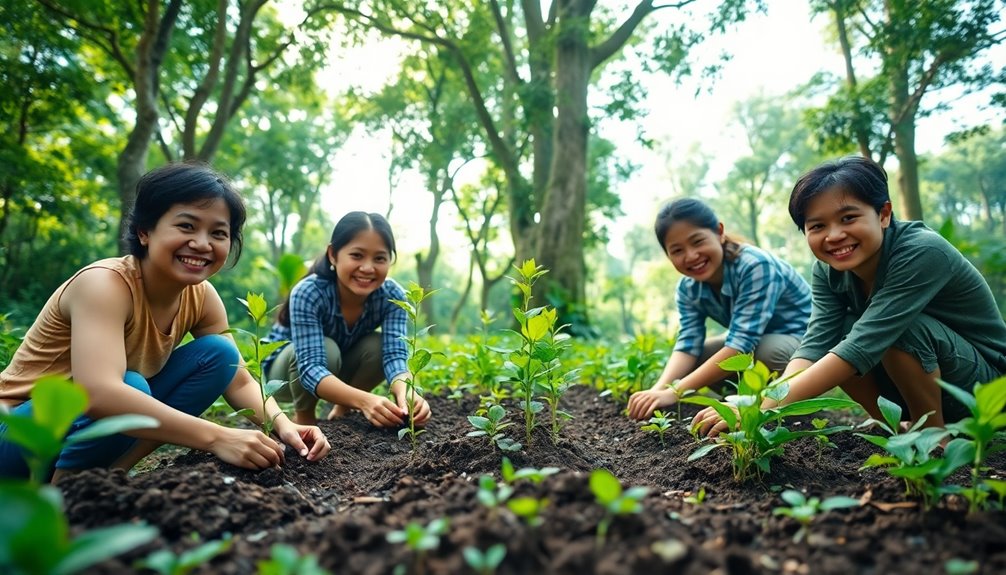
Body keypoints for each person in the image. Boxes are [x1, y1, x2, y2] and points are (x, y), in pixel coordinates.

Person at [0, 163, 331, 481]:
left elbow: (240, 381)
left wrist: (284, 425)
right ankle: (67, 492)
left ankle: (105, 476)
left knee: (219, 355)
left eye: (218, 232)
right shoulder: (104, 285)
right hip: (16, 434)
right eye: (186, 226)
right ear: (145, 231)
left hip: (76, 433)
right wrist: (217, 437)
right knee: (130, 386)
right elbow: (99, 393)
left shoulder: (201, 296)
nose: (202, 243)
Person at [693, 156, 1006, 436]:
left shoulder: (922, 252)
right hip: (927, 380)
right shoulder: (828, 270)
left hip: (987, 389)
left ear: (883, 214)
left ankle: (934, 436)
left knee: (901, 331)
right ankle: (892, 428)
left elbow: (864, 343)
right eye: (817, 225)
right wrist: (766, 400)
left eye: (848, 218)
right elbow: (815, 342)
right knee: (840, 332)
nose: (834, 235)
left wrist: (761, 406)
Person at [627, 197, 813, 421]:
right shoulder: (688, 288)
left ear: (719, 232)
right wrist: (659, 390)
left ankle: (791, 402)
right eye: (677, 250)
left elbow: (741, 346)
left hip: (806, 349)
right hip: (759, 342)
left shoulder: (755, 265)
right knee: (700, 355)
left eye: (697, 241)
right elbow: (688, 344)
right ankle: (748, 401)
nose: (691, 256)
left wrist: (675, 393)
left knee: (765, 352)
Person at [264, 211, 432, 428]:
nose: (368, 268)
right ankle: (304, 417)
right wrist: (366, 401)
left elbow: (395, 357)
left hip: (339, 364)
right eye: (357, 255)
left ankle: (342, 410)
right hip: (286, 373)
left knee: (379, 346)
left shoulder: (392, 296)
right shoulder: (309, 292)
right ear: (333, 255)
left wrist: (408, 394)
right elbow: (310, 367)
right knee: (327, 347)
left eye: (379, 258)